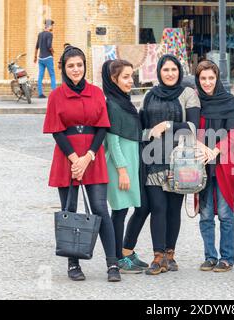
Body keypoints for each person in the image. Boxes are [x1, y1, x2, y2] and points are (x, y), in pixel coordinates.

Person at [43, 46, 121, 282]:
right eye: (71, 66)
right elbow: (56, 130)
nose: (76, 69)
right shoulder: (56, 96)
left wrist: (88, 156)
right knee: (70, 211)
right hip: (67, 157)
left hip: (92, 157)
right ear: (64, 69)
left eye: (79, 65)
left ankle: (112, 264)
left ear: (85, 66)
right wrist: (74, 158)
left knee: (100, 209)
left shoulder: (97, 93)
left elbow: (102, 127)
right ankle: (73, 264)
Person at [140, 54, 201, 275]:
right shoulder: (149, 95)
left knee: (173, 209)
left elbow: (193, 128)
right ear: (159, 72)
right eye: (165, 70)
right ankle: (158, 257)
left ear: (179, 72)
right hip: (153, 159)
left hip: (179, 161)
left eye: (174, 70)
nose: (170, 74)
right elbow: (142, 129)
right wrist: (150, 132)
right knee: (158, 207)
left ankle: (170, 254)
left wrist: (168, 124)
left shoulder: (188, 95)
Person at [194, 60, 234, 272]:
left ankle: (227, 258)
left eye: (211, 78)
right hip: (201, 165)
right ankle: (210, 256)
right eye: (203, 78)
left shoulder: (228, 100)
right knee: (205, 214)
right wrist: (200, 147)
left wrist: (215, 150)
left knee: (225, 213)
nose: (207, 82)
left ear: (217, 79)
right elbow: (189, 127)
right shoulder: (196, 102)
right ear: (198, 80)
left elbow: (233, 134)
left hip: (224, 164)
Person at [101, 59, 150, 274]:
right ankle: (118, 258)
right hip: (120, 165)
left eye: (132, 76)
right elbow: (112, 141)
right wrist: (122, 170)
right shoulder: (111, 104)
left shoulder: (124, 101)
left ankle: (125, 252)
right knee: (119, 211)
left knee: (137, 207)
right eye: (125, 77)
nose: (131, 81)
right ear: (114, 79)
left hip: (133, 162)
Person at [34, 19, 57, 98]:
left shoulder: (40, 34)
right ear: (49, 26)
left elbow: (36, 47)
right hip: (48, 58)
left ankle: (40, 93)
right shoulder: (49, 34)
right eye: (52, 25)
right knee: (52, 75)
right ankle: (54, 93)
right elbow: (49, 45)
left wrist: (35, 57)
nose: (53, 27)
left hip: (40, 59)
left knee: (40, 76)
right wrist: (53, 52)